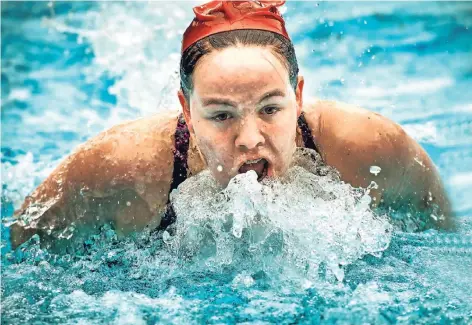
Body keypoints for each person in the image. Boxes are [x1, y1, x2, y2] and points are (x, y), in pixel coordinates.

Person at [10, 1, 454, 248]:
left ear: (297, 96)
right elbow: (21, 244)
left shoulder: (367, 146)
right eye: (221, 115)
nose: (249, 138)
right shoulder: (122, 166)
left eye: (270, 108)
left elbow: (442, 238)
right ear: (186, 110)